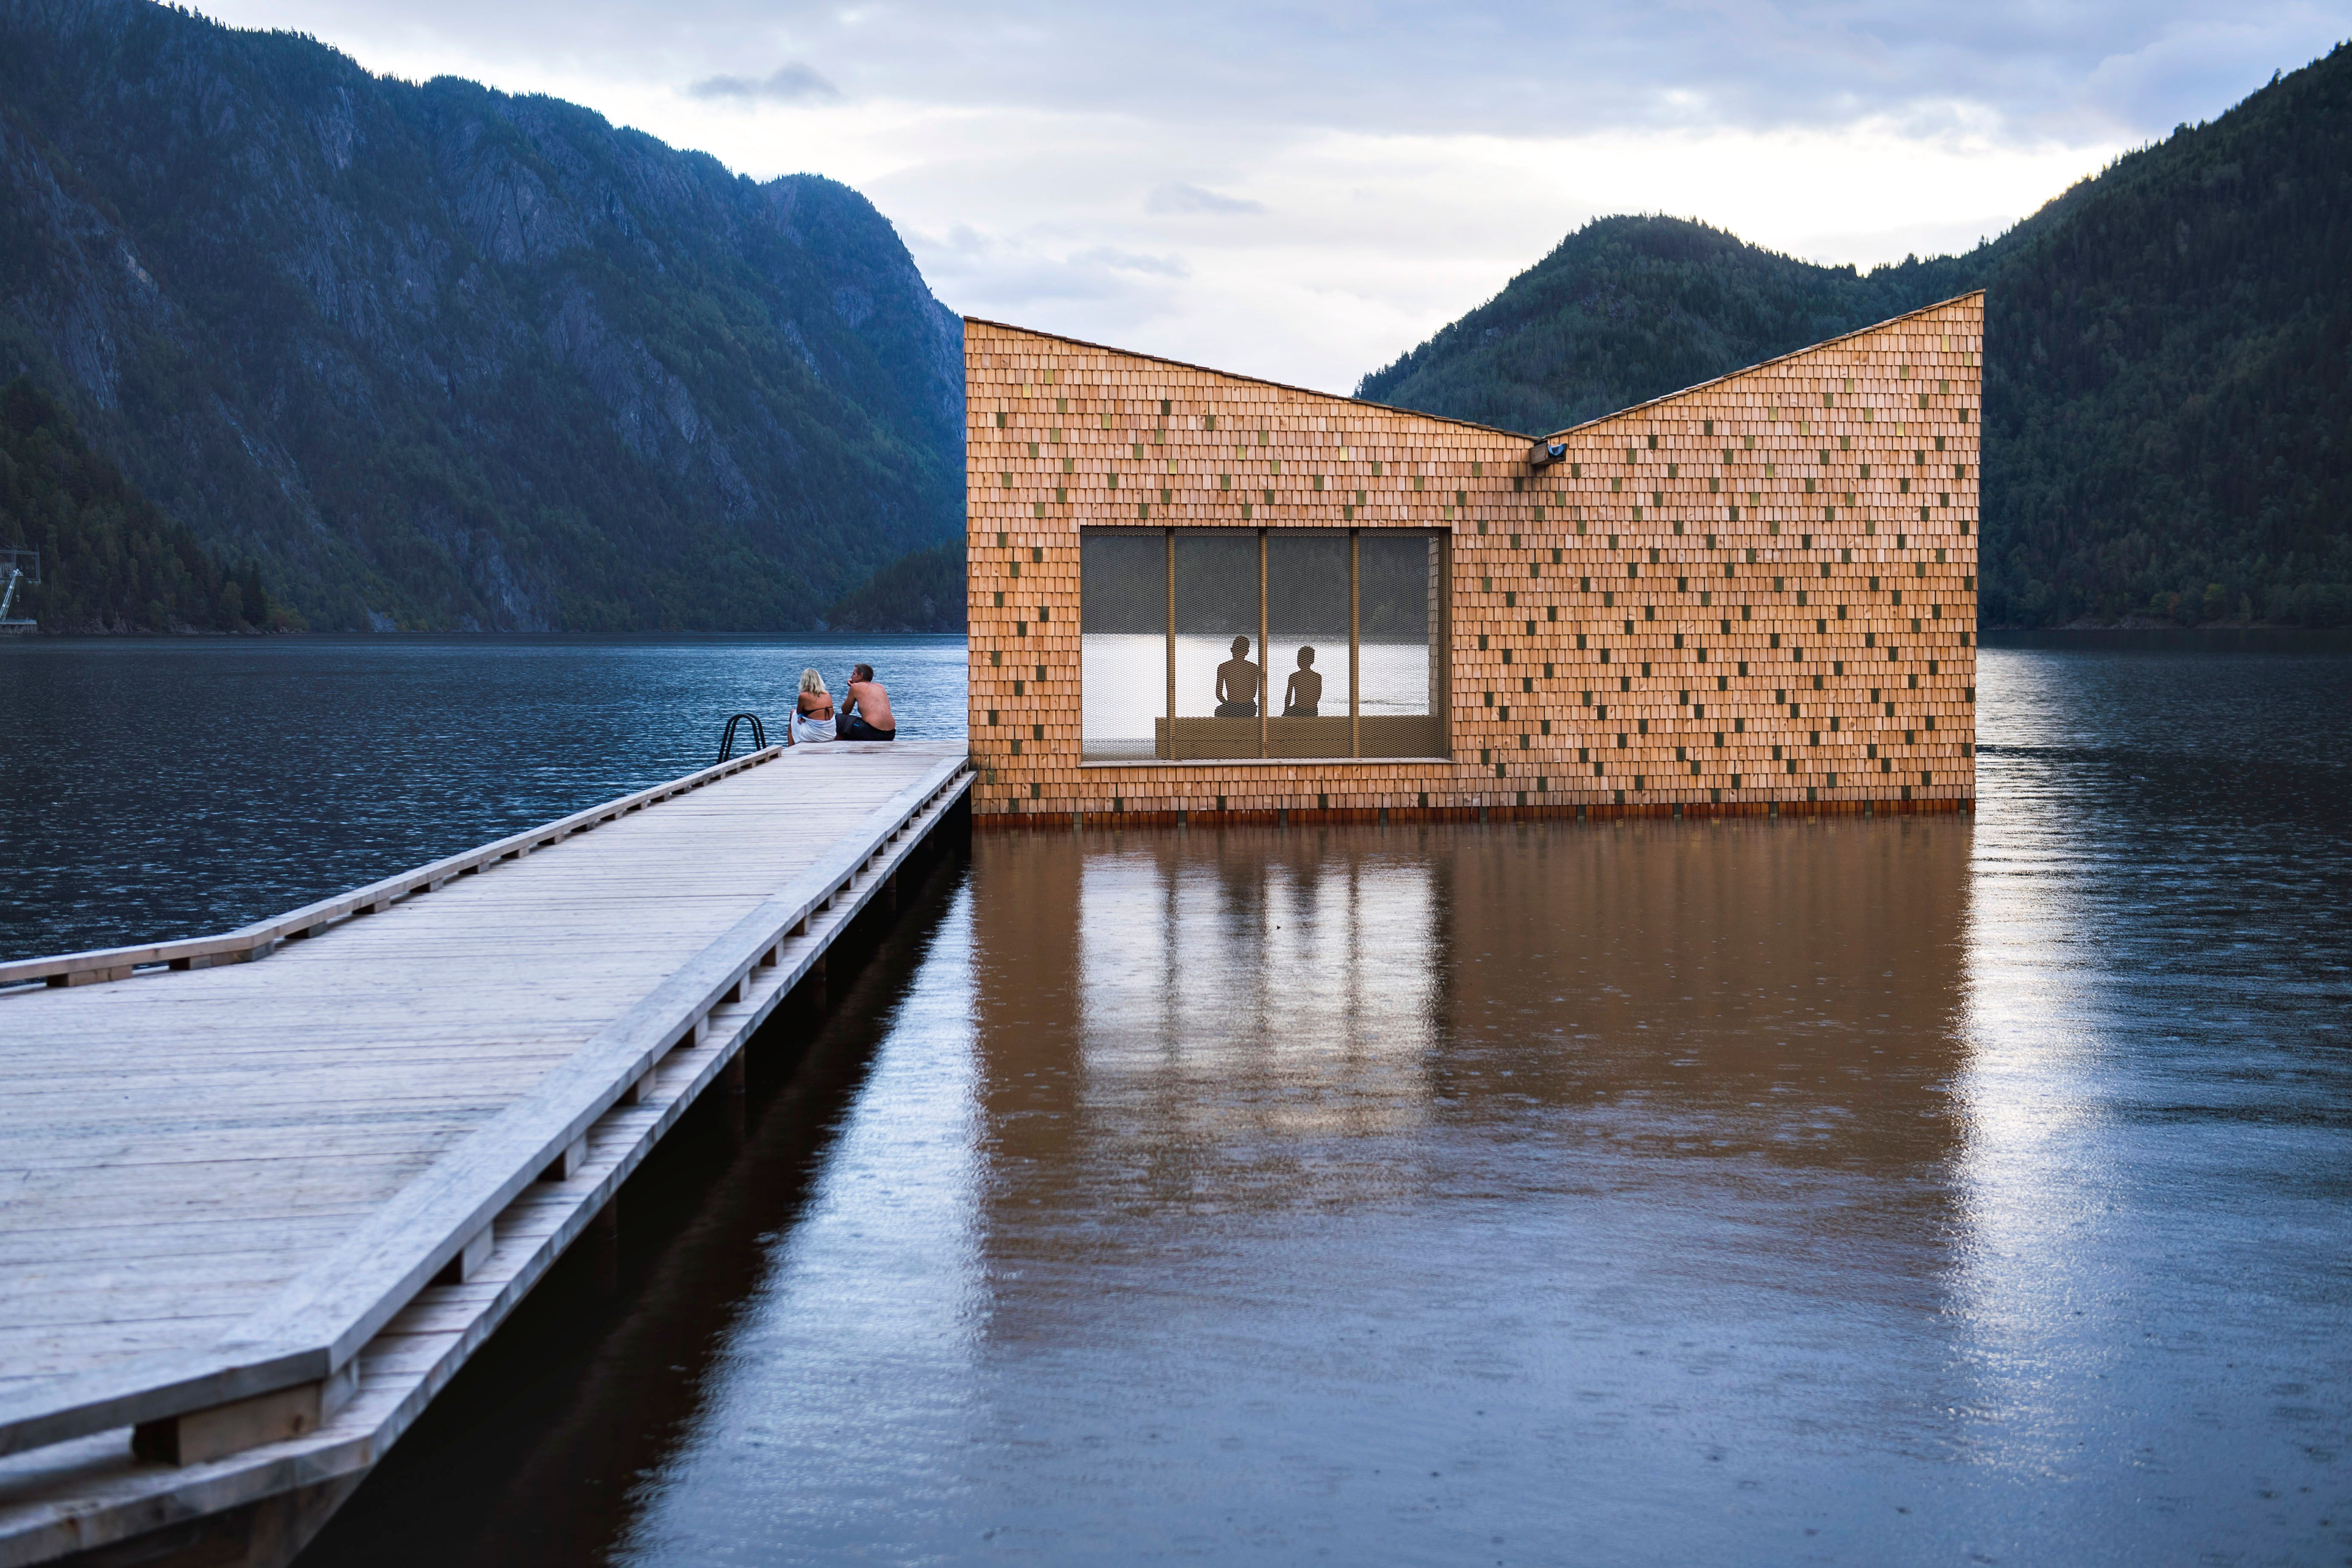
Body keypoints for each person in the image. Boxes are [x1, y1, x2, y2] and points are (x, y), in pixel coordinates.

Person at [841, 662, 896, 741]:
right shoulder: (880, 686)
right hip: (891, 734)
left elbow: (845, 711)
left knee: (840, 719)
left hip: (873, 733)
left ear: (861, 676)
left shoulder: (855, 687)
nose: (851, 676)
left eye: (854, 674)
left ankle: (837, 744)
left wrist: (852, 688)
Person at [1214, 635, 1261, 717]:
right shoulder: (1254, 668)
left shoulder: (1223, 667)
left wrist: (1228, 704)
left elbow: (1219, 694)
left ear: (1232, 650)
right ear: (1247, 652)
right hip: (1249, 708)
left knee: (1218, 711)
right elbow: (1254, 693)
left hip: (1232, 708)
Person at [791, 667, 836, 744]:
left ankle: (791, 751)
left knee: (792, 716)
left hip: (815, 735)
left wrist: (800, 716)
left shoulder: (803, 696)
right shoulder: (827, 694)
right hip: (830, 734)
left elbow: (798, 713)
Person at [1282, 646, 1323, 716]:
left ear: (1300, 660)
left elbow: (1288, 697)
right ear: (1312, 661)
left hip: (1298, 710)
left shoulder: (1294, 677)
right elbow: (1318, 696)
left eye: (1298, 658)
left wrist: (1286, 710)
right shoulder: (1318, 677)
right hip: (1313, 711)